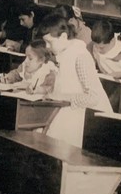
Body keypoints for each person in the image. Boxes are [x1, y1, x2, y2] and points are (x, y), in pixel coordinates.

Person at [39, 14, 113, 148]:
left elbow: (93, 97)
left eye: (49, 42)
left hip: (87, 120)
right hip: (70, 112)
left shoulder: (80, 56)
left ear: (63, 37)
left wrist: (62, 97)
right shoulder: (64, 54)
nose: (47, 46)